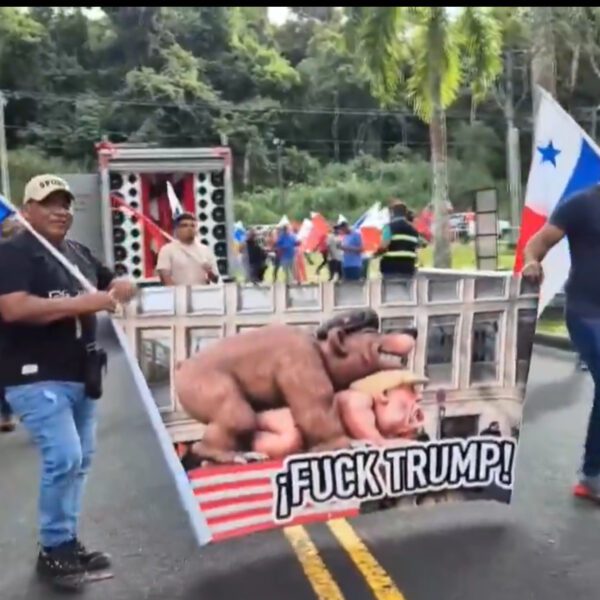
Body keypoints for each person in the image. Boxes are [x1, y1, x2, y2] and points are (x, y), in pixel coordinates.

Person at [0, 174, 137, 591]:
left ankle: (65, 541)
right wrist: (87, 302)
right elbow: (13, 308)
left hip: (82, 374)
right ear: (28, 210)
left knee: (80, 462)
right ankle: (52, 551)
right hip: (34, 373)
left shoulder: (76, 252)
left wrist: (122, 286)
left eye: (66, 203)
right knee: (64, 457)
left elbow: (111, 281)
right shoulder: (13, 253)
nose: (61, 211)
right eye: (49, 203)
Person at [522, 184, 600, 502]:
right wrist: (532, 262)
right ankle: (591, 475)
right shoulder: (581, 204)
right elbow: (537, 243)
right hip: (586, 312)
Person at [155, 212, 219, 286]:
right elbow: (165, 278)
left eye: (192, 226)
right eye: (185, 225)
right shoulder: (167, 250)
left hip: (202, 294)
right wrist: (177, 294)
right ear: (177, 230)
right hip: (178, 294)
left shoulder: (205, 250)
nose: (189, 228)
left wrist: (210, 272)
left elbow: (216, 280)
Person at [377, 200, 420, 279]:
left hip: (391, 268)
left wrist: (375, 253)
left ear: (392, 213)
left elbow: (384, 246)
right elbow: (416, 248)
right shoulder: (414, 230)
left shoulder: (388, 228)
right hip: (408, 268)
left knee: (391, 290)